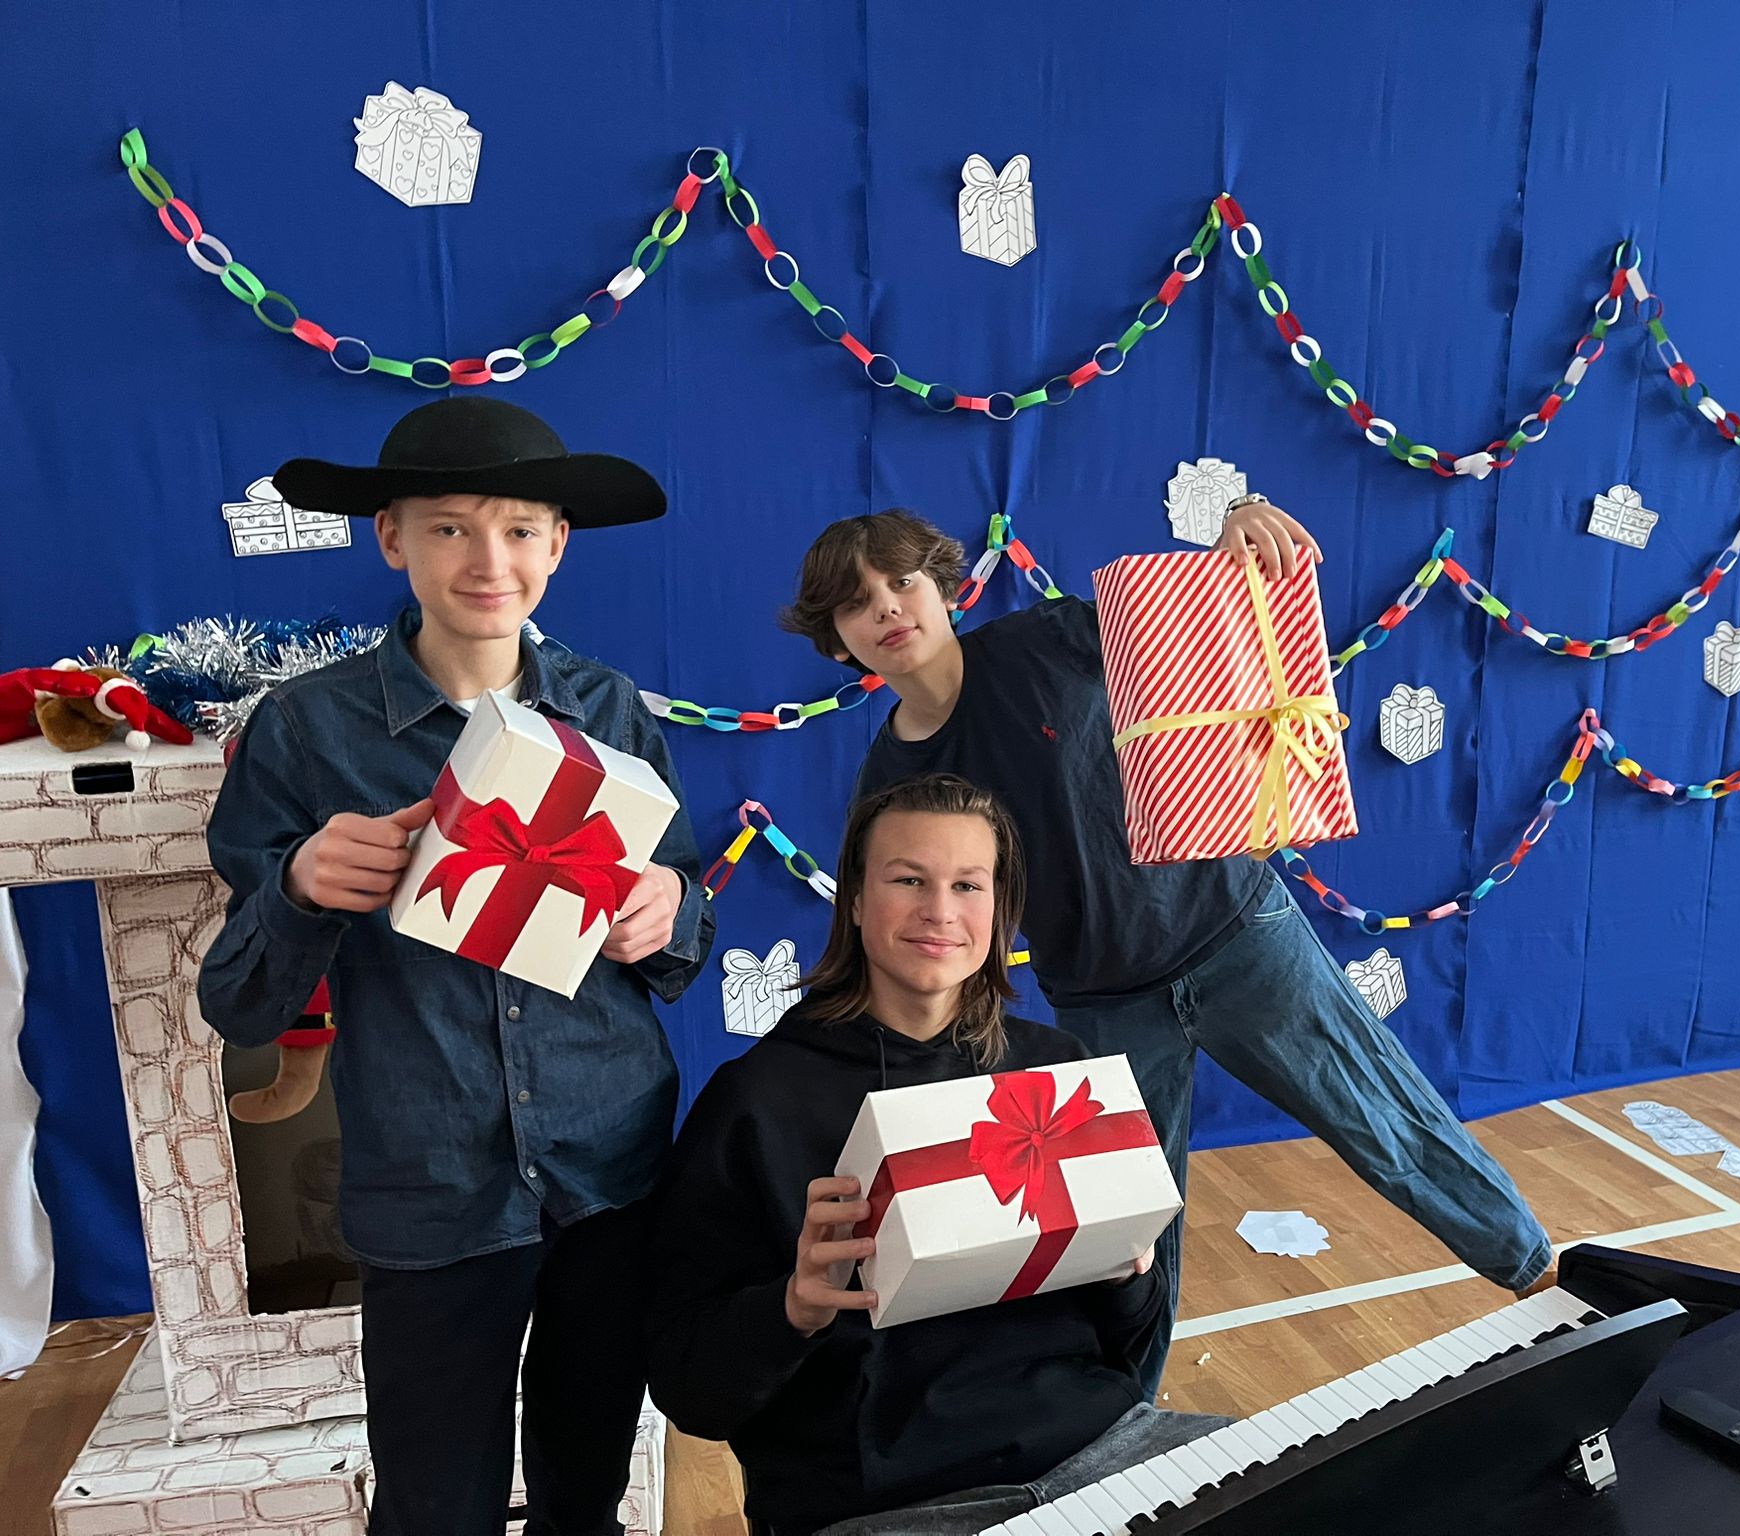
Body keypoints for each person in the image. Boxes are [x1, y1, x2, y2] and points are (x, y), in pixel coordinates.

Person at [779, 502, 1554, 1397]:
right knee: (1126, 1241)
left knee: (1385, 1117)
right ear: (837, 641)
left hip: (1238, 934)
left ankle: (1545, 1276)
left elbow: (1186, 611)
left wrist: (1235, 524)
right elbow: (910, 937)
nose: (887, 606)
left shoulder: (1047, 639)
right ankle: (1127, 1420)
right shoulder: (892, 785)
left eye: (902, 580)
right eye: (857, 602)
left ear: (944, 587)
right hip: (1104, 1004)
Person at [199, 397, 715, 1536]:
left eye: (520, 529)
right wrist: (299, 889)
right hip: (431, 1183)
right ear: (391, 538)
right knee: (434, 1506)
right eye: (449, 528)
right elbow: (236, 999)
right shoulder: (306, 732)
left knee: (587, 1490)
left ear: (558, 545)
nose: (490, 561)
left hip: (609, 1167)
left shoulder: (610, 710)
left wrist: (670, 910)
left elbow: (683, 928)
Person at [644, 774, 1230, 1536]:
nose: (941, 912)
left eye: (967, 885)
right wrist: (793, 1308)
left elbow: (1130, 1344)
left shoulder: (1058, 1072)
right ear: (855, 900)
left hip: (1097, 1451)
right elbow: (688, 1391)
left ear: (999, 908)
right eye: (909, 880)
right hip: (886, 1501)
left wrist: (1129, 1274)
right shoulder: (756, 1104)